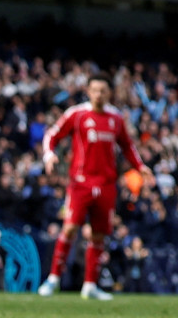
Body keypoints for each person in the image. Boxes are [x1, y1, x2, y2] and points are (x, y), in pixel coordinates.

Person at [38, 73, 152, 301]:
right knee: (70, 228)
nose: (99, 94)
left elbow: (127, 146)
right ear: (88, 91)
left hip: (107, 185)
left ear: (109, 93)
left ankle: (90, 285)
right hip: (81, 183)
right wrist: (49, 156)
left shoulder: (116, 118)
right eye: (95, 90)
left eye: (103, 90)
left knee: (99, 236)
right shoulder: (77, 114)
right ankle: (53, 279)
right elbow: (52, 134)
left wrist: (140, 166)